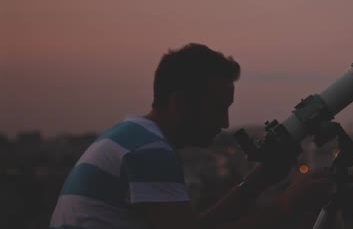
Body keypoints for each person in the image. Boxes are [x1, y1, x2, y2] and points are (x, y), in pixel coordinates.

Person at [50, 43, 333, 229]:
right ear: (180, 103)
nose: (225, 122)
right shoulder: (149, 151)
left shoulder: (131, 138)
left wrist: (259, 181)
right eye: (217, 108)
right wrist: (288, 205)